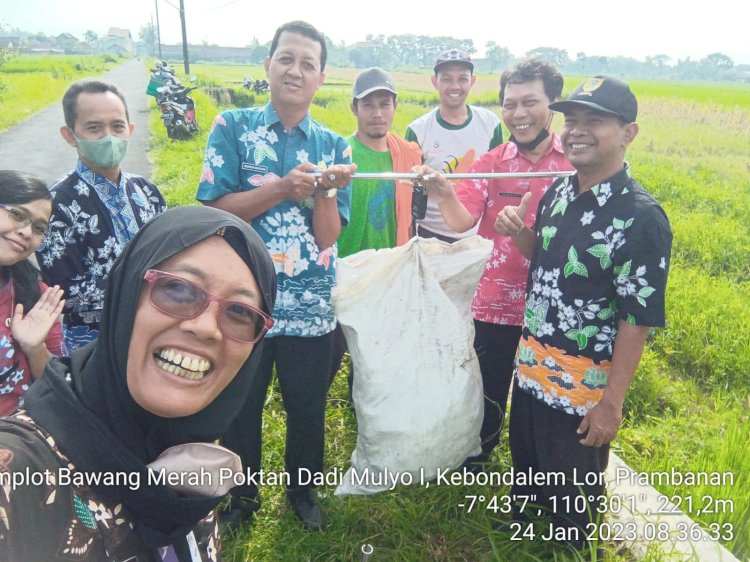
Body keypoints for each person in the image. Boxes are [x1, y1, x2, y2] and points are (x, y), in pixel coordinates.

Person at [0, 205, 276, 561]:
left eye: (239, 312)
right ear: (126, 296)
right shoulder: (18, 471)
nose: (206, 328)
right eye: (177, 289)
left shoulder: (189, 462)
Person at [494, 76, 672, 551]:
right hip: (532, 371)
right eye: (572, 120)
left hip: (582, 389)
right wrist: (518, 235)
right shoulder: (558, 191)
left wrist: (610, 405)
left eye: (595, 120)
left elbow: (638, 318)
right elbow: (551, 261)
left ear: (628, 132)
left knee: (570, 509)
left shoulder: (641, 217)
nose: (577, 130)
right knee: (528, 479)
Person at [197, 20, 355, 531]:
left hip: (310, 306)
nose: (296, 70)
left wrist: (325, 192)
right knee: (240, 404)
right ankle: (243, 498)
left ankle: (303, 494)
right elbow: (217, 210)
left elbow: (328, 238)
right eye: (287, 58)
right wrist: (283, 189)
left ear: (321, 78)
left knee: (306, 406)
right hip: (244, 300)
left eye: (308, 64)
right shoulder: (233, 127)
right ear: (267, 65)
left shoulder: (335, 145)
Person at [415, 59, 573, 469]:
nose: (518, 115)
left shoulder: (573, 165)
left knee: (540, 391)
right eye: (509, 104)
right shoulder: (490, 164)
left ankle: (535, 467)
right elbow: (462, 220)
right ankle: (480, 454)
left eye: (530, 102)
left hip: (555, 305)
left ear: (552, 103)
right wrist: (445, 193)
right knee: (489, 384)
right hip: (494, 302)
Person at [36, 79, 167, 351]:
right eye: (94, 128)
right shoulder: (57, 203)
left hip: (155, 336)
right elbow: (63, 291)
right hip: (93, 346)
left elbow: (170, 255)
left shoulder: (147, 191)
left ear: (130, 130)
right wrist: (145, 282)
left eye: (117, 126)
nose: (109, 136)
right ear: (70, 135)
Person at [329, 67, 422, 392]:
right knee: (331, 350)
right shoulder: (340, 153)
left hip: (386, 270)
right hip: (343, 270)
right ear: (354, 109)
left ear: (395, 107)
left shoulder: (407, 155)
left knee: (374, 356)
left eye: (385, 104)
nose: (377, 113)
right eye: (368, 105)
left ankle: (364, 409)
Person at [405, 48, 503, 242]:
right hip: (430, 235)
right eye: (447, 79)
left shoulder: (491, 124)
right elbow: (411, 190)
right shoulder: (418, 130)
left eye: (462, 79)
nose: (455, 86)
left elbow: (496, 181)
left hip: (476, 235)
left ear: (472, 81)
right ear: (435, 82)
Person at [0, 170, 65, 416]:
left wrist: (34, 347)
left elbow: (56, 383)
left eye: (38, 228)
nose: (27, 233)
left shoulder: (36, 295)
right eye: (17, 214)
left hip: (22, 435)